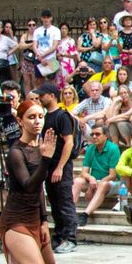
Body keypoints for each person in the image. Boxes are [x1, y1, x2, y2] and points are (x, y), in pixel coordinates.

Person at [0, 100, 59, 264]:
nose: (37, 121)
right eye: (31, 117)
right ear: (20, 120)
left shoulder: (38, 148)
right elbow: (29, 185)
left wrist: (43, 221)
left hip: (33, 217)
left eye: (40, 116)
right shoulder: (16, 152)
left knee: (48, 263)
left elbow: (40, 190)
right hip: (15, 219)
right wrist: (46, 160)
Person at [35, 84, 79, 253]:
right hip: (49, 165)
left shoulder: (62, 116)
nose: (40, 98)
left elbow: (69, 142)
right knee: (54, 202)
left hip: (61, 166)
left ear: (52, 96)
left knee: (64, 202)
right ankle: (59, 236)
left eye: (43, 95)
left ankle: (70, 238)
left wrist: (60, 167)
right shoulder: (46, 117)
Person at [75, 125, 121, 226]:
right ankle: (69, 212)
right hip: (95, 181)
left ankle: (85, 214)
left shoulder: (114, 148)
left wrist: (92, 186)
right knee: (77, 181)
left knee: (103, 184)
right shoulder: (90, 148)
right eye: (92, 134)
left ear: (105, 136)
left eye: (97, 134)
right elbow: (84, 172)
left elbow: (112, 175)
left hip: (112, 183)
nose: (94, 136)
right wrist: (91, 178)